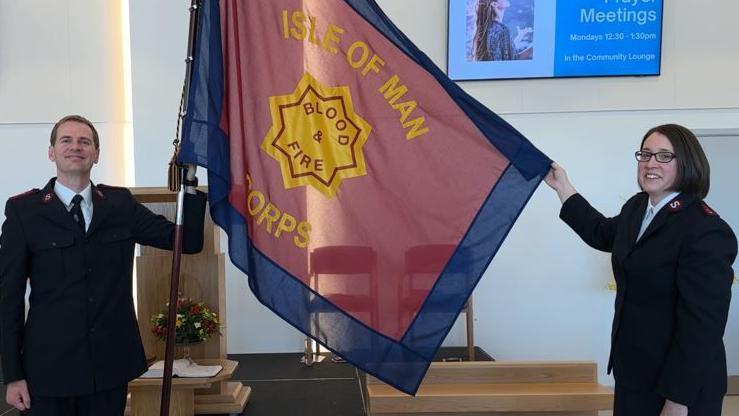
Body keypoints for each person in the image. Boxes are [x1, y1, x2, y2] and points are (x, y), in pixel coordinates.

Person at [0, 115, 207, 415]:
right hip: (47, 372)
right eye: (66, 140)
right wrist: (13, 375)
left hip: (107, 370)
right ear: (51, 152)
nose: (76, 147)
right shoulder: (24, 212)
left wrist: (189, 183)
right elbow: (8, 299)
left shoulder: (120, 205)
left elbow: (185, 242)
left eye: (85, 141)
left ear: (96, 154)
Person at [545, 124, 737, 416]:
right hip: (635, 372)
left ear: (686, 163)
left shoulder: (705, 229)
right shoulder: (638, 208)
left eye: (663, 156)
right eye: (645, 154)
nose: (650, 164)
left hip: (679, 386)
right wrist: (562, 186)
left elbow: (702, 327)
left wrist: (677, 400)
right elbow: (600, 232)